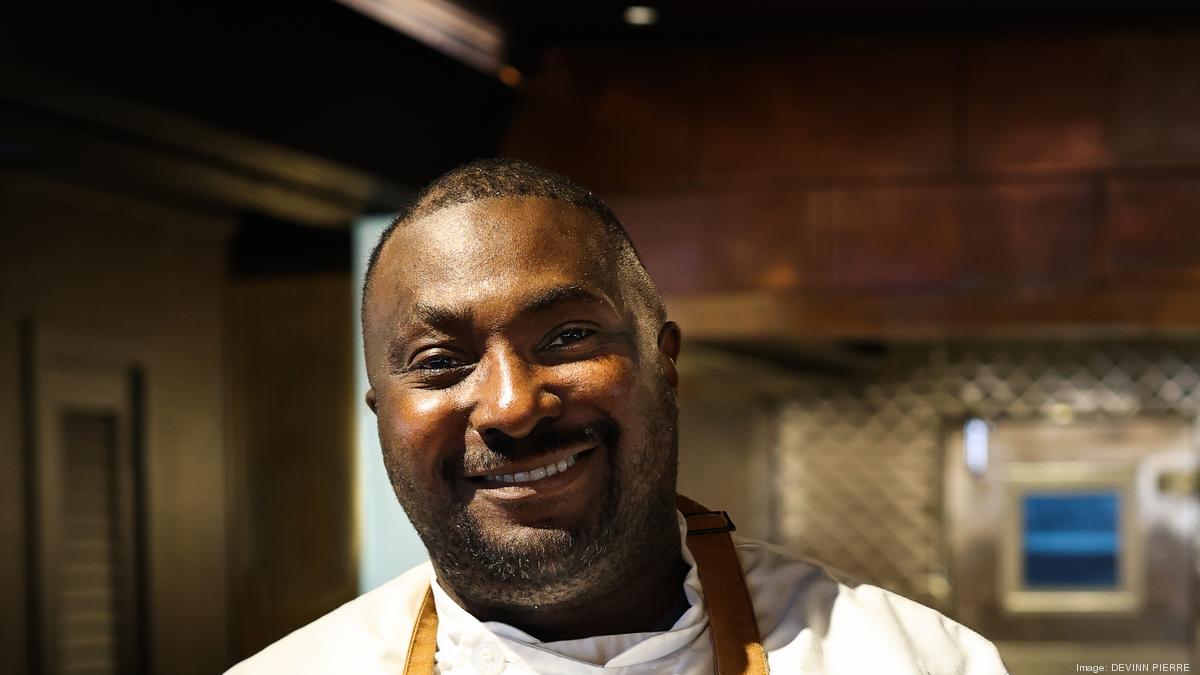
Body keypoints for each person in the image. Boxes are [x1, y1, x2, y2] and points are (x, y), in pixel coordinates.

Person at [228, 159, 1007, 674]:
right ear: (381, 412)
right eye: (439, 361)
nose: (511, 406)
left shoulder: (915, 660)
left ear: (664, 362)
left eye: (567, 337)